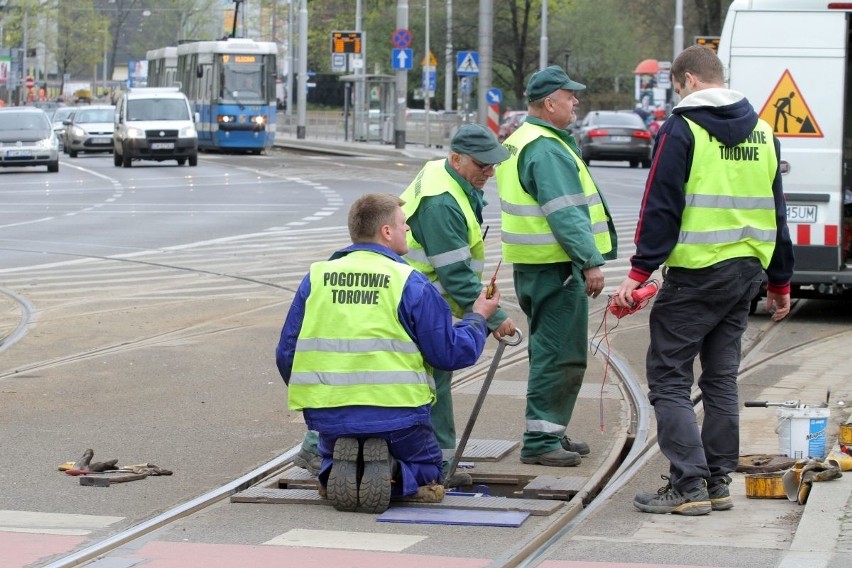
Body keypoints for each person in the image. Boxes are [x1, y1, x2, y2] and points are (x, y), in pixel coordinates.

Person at [613, 45, 794, 516]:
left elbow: (661, 204)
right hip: (745, 275)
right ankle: (717, 483)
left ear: (688, 80)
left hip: (695, 276)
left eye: (676, 86)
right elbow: (777, 212)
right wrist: (780, 282)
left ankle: (688, 485)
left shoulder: (682, 127)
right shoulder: (763, 131)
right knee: (720, 381)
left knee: (669, 379)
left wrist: (638, 273)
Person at [275, 193, 500, 513]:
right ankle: (392, 471)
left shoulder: (316, 278)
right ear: (386, 232)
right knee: (431, 471)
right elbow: (449, 353)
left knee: (329, 453)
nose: (408, 228)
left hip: (330, 417)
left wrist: (315, 395)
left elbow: (287, 352)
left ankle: (334, 470)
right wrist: (479, 317)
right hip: (399, 417)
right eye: (402, 223)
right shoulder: (410, 282)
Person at [495, 65, 617, 467]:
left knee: (549, 350)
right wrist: (589, 262)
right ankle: (541, 440)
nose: (576, 101)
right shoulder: (546, 147)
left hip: (536, 266)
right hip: (557, 266)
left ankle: (550, 430)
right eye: (570, 96)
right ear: (550, 103)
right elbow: (566, 213)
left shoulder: (523, 140)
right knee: (560, 353)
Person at [399, 123, 517, 485]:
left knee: (428, 380)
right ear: (456, 159)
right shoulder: (441, 202)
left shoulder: (444, 175)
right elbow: (454, 273)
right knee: (430, 383)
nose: (490, 172)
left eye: (493, 165)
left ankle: (437, 459)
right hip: (423, 298)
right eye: (483, 165)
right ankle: (438, 465)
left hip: (424, 295)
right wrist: (493, 316)